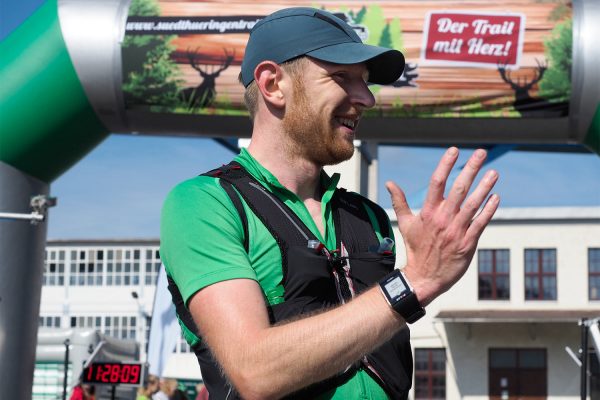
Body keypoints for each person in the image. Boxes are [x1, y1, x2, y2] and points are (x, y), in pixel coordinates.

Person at [160, 6, 499, 400]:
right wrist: (414, 281)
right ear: (273, 84)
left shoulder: (368, 216)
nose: (367, 98)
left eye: (367, 82)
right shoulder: (204, 204)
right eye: (342, 77)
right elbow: (255, 371)